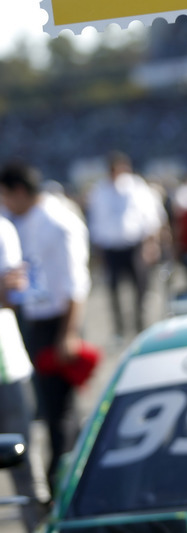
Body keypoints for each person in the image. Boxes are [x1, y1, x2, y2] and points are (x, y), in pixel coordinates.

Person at [0, 161, 91, 495]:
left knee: (60, 412)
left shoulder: (58, 221)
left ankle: (64, 480)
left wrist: (69, 332)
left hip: (59, 323)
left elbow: (76, 283)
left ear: (20, 192)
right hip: (34, 320)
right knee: (45, 407)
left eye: (5, 196)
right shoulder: (20, 220)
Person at [0, 213, 49, 531]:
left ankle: (39, 526)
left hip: (7, 368)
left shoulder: (2, 228)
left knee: (24, 461)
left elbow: (12, 291)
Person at [86, 151, 166, 336]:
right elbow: (96, 223)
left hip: (135, 246)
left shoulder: (138, 188)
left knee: (140, 287)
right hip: (111, 247)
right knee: (113, 290)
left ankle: (140, 324)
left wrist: (151, 244)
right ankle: (120, 329)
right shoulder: (100, 191)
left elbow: (151, 217)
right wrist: (98, 251)